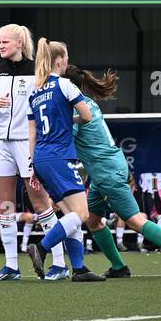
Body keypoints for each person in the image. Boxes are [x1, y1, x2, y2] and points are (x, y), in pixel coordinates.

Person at [63, 65, 161, 278]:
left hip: (106, 172)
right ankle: (119, 267)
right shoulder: (87, 103)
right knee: (93, 220)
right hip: (105, 170)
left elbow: (66, 141)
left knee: (134, 220)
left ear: (65, 85)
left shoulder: (72, 108)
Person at [0, 23, 69, 281]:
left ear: (19, 43)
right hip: (1, 145)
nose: (1, 45)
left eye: (5, 41)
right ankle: (11, 266)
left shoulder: (36, 71)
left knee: (41, 204)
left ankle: (60, 264)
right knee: (6, 206)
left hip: (28, 144)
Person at [23, 40, 104, 281]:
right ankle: (41, 248)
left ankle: (79, 269)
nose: (68, 61)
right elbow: (86, 116)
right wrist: (71, 120)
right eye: (66, 57)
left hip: (41, 158)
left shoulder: (35, 91)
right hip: (60, 156)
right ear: (59, 60)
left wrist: (32, 166)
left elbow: (32, 133)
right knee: (81, 214)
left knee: (71, 216)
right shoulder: (64, 84)